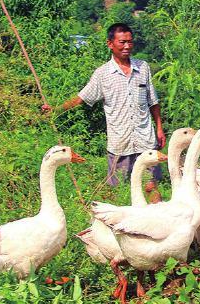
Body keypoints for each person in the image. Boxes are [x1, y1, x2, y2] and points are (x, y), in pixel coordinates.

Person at [43, 23, 165, 186]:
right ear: (110, 44)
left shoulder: (143, 68)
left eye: (130, 41)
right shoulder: (102, 74)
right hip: (120, 144)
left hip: (146, 140)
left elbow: (153, 102)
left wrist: (159, 128)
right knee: (119, 188)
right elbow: (81, 98)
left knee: (151, 186)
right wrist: (55, 110)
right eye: (122, 42)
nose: (127, 46)